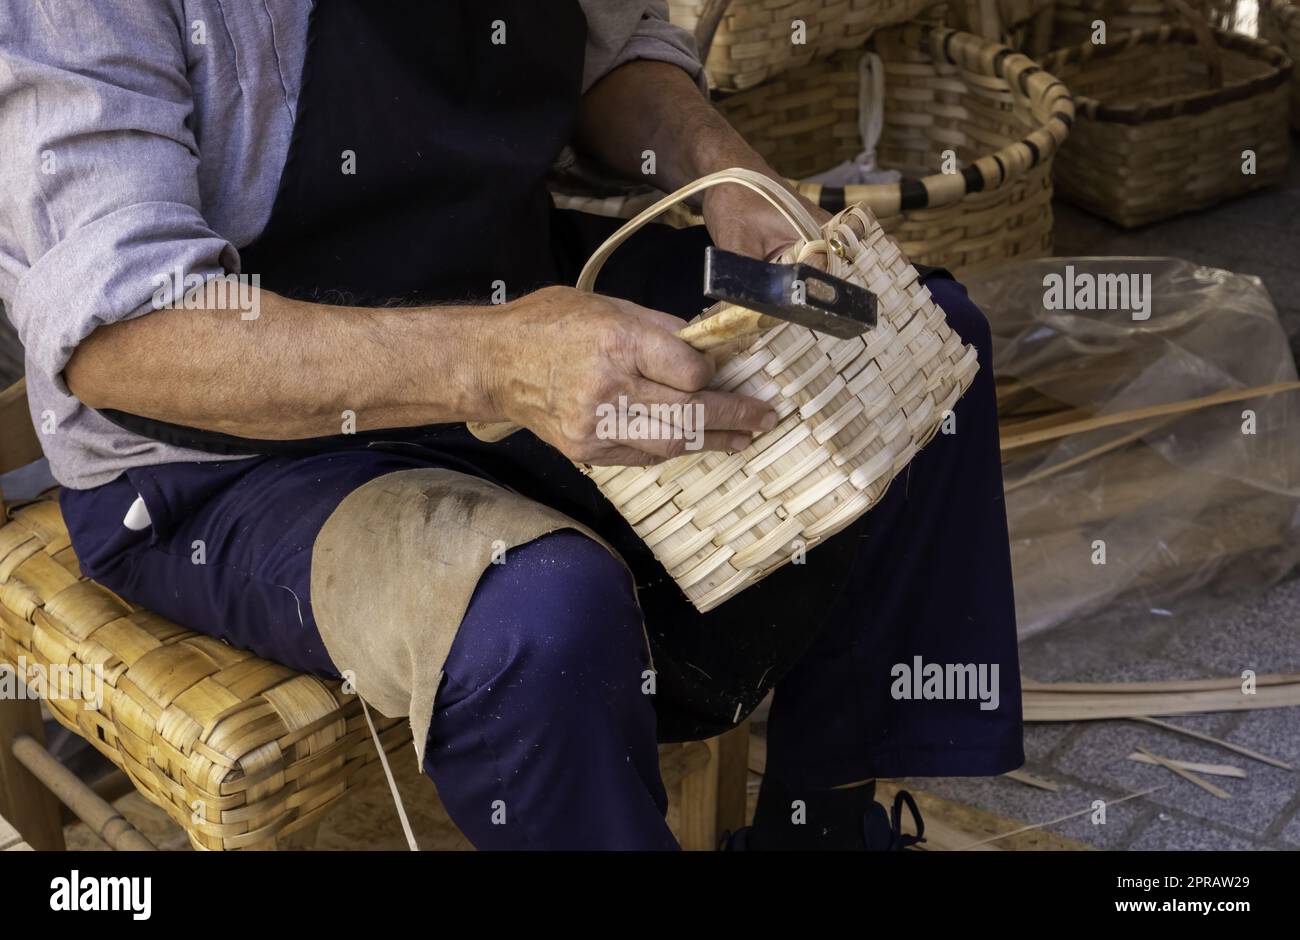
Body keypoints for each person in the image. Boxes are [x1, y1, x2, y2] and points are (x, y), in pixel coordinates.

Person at [0, 1, 1022, 850]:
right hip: (222, 452)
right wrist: (497, 360)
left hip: (504, 285)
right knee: (540, 617)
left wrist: (723, 169)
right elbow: (124, 335)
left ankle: (823, 824)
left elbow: (607, 57)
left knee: (881, 338)